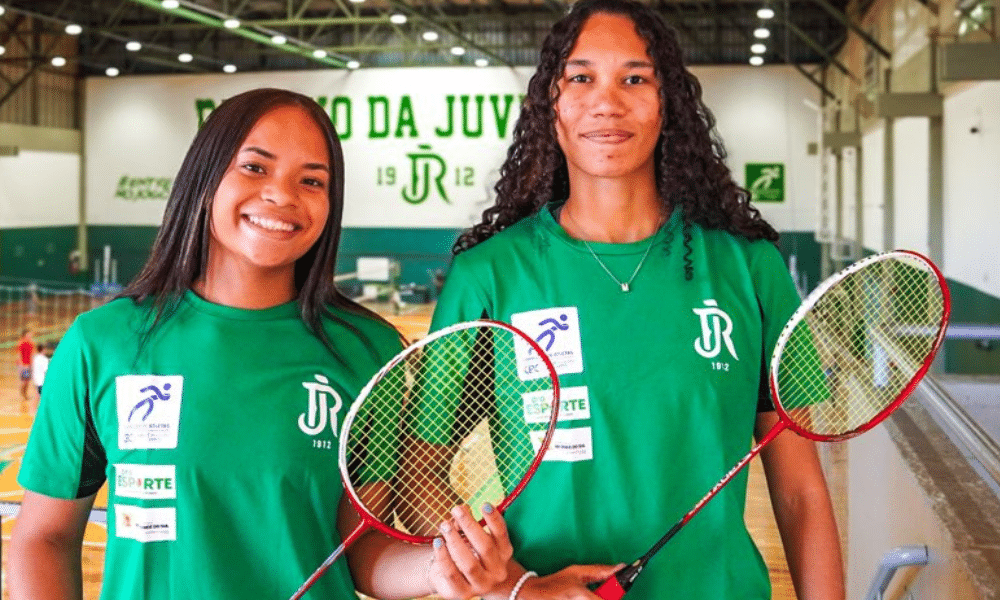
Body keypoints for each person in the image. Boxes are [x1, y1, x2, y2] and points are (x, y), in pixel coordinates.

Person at [10, 88, 511, 600]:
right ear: (205, 177)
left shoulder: (368, 351)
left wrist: (438, 570)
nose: (282, 195)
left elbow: (357, 550)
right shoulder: (103, 344)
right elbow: (45, 537)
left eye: (311, 180)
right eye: (255, 168)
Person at [429, 1, 846, 599]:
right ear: (551, 104)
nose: (607, 101)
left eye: (635, 78)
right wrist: (508, 583)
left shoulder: (750, 269)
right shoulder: (488, 276)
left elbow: (802, 493)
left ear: (667, 102)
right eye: (581, 78)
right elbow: (421, 470)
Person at [29, 341, 52, 414]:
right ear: (43, 350)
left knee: (38, 394)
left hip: (36, 379)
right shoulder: (43, 359)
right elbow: (46, 370)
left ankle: (34, 408)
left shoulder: (35, 358)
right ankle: (35, 409)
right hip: (41, 381)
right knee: (41, 395)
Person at [16, 327, 33, 405]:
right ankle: (22, 394)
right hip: (23, 365)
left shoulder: (31, 343)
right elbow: (19, 354)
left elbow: (32, 354)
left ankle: (25, 394)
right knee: (24, 381)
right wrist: (23, 365)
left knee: (28, 381)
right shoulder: (21, 343)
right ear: (24, 335)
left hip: (29, 364)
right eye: (28, 333)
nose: (30, 335)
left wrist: (32, 364)